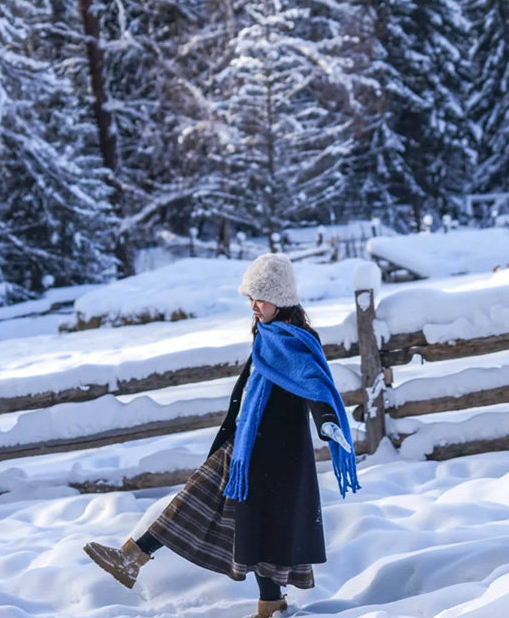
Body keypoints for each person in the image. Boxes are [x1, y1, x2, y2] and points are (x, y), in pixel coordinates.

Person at [83, 252, 360, 618]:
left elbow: (315, 387)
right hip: (245, 449)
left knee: (262, 531)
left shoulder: (296, 342)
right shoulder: (266, 335)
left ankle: (269, 605)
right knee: (197, 499)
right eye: (251, 298)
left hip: (278, 460)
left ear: (280, 299)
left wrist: (327, 423)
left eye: (260, 298)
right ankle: (131, 558)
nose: (254, 306)